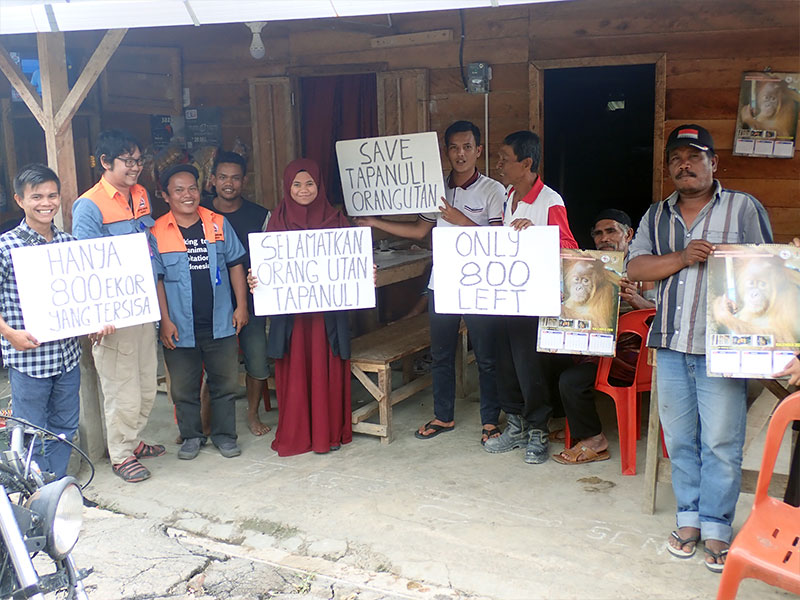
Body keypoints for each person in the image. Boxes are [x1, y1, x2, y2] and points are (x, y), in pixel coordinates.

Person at [627, 124, 773, 572]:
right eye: (675, 158)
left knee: (722, 442)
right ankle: (688, 520)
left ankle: (717, 527)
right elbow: (637, 265)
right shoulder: (656, 215)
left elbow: (768, 269)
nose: (684, 165)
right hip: (671, 343)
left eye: (694, 156)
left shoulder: (743, 208)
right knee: (679, 440)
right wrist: (684, 256)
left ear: (714, 163)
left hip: (724, 348)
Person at [355, 120, 505, 444]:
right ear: (446, 151)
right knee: (441, 353)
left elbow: (500, 241)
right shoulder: (436, 189)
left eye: (467, 147)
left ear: (478, 150)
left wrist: (460, 220)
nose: (460, 154)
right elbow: (420, 231)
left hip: (481, 284)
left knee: (486, 354)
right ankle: (443, 415)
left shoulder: (493, 190)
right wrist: (375, 222)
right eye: (454, 147)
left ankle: (491, 421)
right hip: (444, 281)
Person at [0, 165, 113, 478]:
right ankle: (37, 496)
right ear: (20, 200)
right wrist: (9, 334)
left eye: (51, 195)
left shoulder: (69, 244)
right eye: (36, 196)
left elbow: (82, 298)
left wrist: (95, 321)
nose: (45, 203)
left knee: (64, 427)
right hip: (30, 359)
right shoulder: (6, 248)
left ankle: (61, 489)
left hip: (67, 357)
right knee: (30, 431)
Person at [72, 130, 164, 483]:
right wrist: (97, 315)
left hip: (142, 305)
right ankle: (121, 454)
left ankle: (133, 439)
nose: (136, 167)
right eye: (128, 161)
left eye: (139, 160)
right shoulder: (89, 204)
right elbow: (85, 264)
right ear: (106, 162)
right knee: (120, 386)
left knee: (144, 381)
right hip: (113, 314)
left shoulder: (140, 195)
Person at [483, 130, 578, 464]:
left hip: (533, 301)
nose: (498, 165)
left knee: (529, 365)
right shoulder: (509, 194)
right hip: (507, 296)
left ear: (526, 163)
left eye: (504, 159)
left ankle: (538, 428)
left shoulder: (550, 201)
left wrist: (538, 235)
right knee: (506, 362)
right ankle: (516, 422)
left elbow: (569, 247)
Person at [151, 164, 248, 460]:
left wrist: (241, 305)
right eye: (178, 190)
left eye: (192, 188)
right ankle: (192, 436)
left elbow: (235, 264)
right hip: (179, 326)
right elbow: (156, 280)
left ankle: (224, 435)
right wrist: (164, 321)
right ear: (166, 196)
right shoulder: (156, 231)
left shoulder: (217, 223)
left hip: (220, 321)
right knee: (183, 388)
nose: (187, 195)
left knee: (226, 384)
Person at [264, 159, 353, 457]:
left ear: (320, 185)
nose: (304, 190)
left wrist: (366, 273)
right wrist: (257, 278)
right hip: (293, 320)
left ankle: (328, 433)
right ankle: (299, 433)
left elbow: (351, 264)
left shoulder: (337, 220)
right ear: (287, 188)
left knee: (326, 367)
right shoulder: (277, 221)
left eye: (310, 183)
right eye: (297, 185)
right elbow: (267, 269)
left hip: (326, 317)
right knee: (297, 370)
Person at [552, 209, 655, 466]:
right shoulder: (590, 265)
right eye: (598, 233)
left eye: (611, 231)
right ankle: (574, 426)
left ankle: (594, 441)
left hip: (632, 357)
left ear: (628, 234)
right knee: (547, 360)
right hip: (595, 348)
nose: (604, 238)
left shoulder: (644, 266)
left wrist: (636, 300)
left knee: (571, 380)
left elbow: (658, 313)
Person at [200, 150, 272, 436]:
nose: (229, 183)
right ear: (213, 180)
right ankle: (204, 425)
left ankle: (252, 415)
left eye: (236, 178)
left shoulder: (260, 215)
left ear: (245, 181)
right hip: (212, 304)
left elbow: (273, 258)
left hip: (252, 303)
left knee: (256, 361)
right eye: (223, 177)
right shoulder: (199, 212)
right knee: (213, 367)